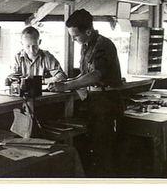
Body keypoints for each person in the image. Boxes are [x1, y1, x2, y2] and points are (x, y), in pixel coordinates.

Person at [48, 9, 124, 177]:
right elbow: (84, 74)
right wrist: (64, 82)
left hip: (106, 103)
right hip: (93, 101)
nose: (73, 40)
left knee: (103, 150)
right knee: (92, 147)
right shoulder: (86, 46)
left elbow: (96, 75)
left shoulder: (104, 45)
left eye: (75, 36)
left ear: (88, 31)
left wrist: (67, 86)